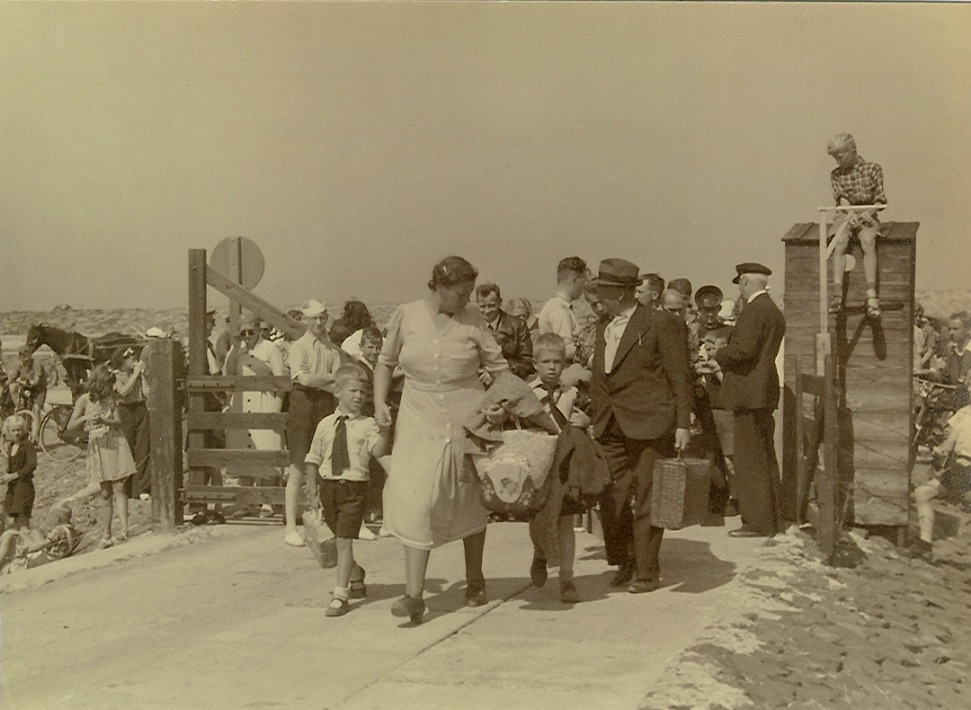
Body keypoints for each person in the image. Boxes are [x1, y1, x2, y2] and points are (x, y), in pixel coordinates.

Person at [373, 255, 509, 624]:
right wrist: (380, 402)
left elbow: (500, 371)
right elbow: (385, 362)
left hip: (467, 415)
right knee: (415, 495)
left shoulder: (475, 321)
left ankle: (475, 579)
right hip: (419, 415)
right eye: (461, 294)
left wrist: (497, 408)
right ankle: (414, 595)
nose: (467, 301)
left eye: (469, 294)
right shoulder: (407, 315)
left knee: (467, 496)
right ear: (439, 288)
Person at [589, 258, 692, 593]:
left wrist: (682, 423)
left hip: (651, 422)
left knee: (649, 497)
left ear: (620, 293)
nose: (597, 297)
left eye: (602, 291)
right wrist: (594, 418)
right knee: (612, 494)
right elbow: (601, 377)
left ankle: (646, 572)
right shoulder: (603, 325)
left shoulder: (660, 324)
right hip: (610, 423)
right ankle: (625, 559)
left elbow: (680, 376)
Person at [305, 364, 390, 617]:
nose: (359, 396)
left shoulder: (368, 425)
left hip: (354, 490)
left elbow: (378, 450)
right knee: (333, 541)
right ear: (337, 391)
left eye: (363, 392)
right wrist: (311, 489)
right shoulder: (325, 424)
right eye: (353, 391)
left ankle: (340, 596)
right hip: (328, 488)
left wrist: (384, 429)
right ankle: (355, 573)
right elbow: (313, 458)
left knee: (344, 540)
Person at [710, 263, 786, 538]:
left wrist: (719, 353)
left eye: (739, 285)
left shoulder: (755, 311)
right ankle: (773, 517)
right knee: (764, 457)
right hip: (761, 393)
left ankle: (757, 523)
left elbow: (743, 352)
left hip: (749, 395)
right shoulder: (772, 310)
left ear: (744, 283)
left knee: (749, 461)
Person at [526, 333, 592, 603]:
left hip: (566, 464)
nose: (552, 367)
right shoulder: (528, 394)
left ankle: (567, 578)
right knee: (539, 519)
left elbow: (588, 419)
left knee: (565, 520)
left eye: (558, 361)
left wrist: (586, 421)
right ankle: (540, 553)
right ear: (535, 363)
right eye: (546, 361)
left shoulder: (573, 393)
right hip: (539, 465)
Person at [283, 299, 345, 547]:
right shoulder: (298, 347)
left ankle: (320, 521)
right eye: (314, 319)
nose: (318, 323)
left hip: (325, 405)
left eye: (322, 318)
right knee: (298, 465)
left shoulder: (332, 350)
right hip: (302, 404)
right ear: (306, 321)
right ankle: (290, 526)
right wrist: (329, 378)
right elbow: (305, 379)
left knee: (324, 464)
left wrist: (327, 380)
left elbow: (339, 383)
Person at [224, 314, 286, 519]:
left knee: (266, 449)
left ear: (259, 330)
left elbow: (280, 381)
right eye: (244, 332)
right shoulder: (239, 351)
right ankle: (247, 500)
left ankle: (267, 501)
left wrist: (275, 409)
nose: (248, 336)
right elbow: (228, 374)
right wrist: (234, 349)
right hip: (242, 403)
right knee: (244, 450)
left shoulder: (270, 349)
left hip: (264, 401)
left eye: (251, 331)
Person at [67, 364, 136, 548]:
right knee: (105, 493)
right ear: (99, 384)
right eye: (108, 385)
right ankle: (106, 533)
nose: (111, 389)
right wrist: (85, 419)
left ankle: (124, 529)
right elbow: (70, 426)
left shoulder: (110, 399)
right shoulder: (84, 400)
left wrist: (104, 420)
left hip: (114, 442)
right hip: (97, 444)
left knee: (119, 487)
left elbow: (119, 421)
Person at [826, 133, 887, 318]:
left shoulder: (873, 169)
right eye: (834, 157)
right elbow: (842, 199)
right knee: (840, 240)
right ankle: (837, 292)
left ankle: (871, 294)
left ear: (852, 151)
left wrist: (870, 212)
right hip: (847, 214)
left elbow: (880, 199)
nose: (837, 160)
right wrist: (849, 213)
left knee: (868, 240)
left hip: (868, 214)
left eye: (840, 156)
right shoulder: (836, 174)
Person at [907, 396, 971, 561]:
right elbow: (949, 443)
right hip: (959, 470)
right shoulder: (965, 413)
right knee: (922, 493)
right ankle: (925, 545)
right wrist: (940, 450)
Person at [110, 346, 150, 500]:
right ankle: (124, 488)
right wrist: (135, 375)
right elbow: (122, 392)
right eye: (130, 357)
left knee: (143, 446)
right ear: (122, 360)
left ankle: (140, 488)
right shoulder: (116, 376)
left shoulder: (139, 374)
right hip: (125, 410)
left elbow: (146, 391)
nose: (134, 359)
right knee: (126, 447)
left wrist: (144, 375)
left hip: (140, 408)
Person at [476, 283, 534, 380]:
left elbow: (528, 363)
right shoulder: (470, 327)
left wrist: (498, 373)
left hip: (511, 382)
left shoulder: (519, 326)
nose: (487, 311)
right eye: (482, 306)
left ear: (500, 302)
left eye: (491, 306)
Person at [537, 257, 588, 363]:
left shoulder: (557, 306)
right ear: (575, 280)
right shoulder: (559, 310)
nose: (584, 286)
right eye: (583, 281)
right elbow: (566, 350)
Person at [2, 414, 37, 530]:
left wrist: (13, 476)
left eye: (19, 430)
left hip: (24, 488)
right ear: (8, 432)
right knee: (10, 519)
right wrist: (5, 477)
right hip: (12, 489)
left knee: (22, 521)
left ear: (24, 430)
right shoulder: (11, 446)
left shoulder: (27, 445)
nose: (16, 433)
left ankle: (31, 544)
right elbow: (11, 468)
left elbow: (32, 465)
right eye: (13, 430)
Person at [10, 347, 46, 442]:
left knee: (36, 409)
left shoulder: (37, 364)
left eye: (26, 357)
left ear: (30, 356)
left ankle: (36, 438)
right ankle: (19, 409)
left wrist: (23, 382)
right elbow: (13, 377)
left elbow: (36, 382)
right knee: (12, 387)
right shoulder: (20, 365)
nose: (25, 360)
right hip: (26, 390)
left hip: (38, 390)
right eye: (22, 357)